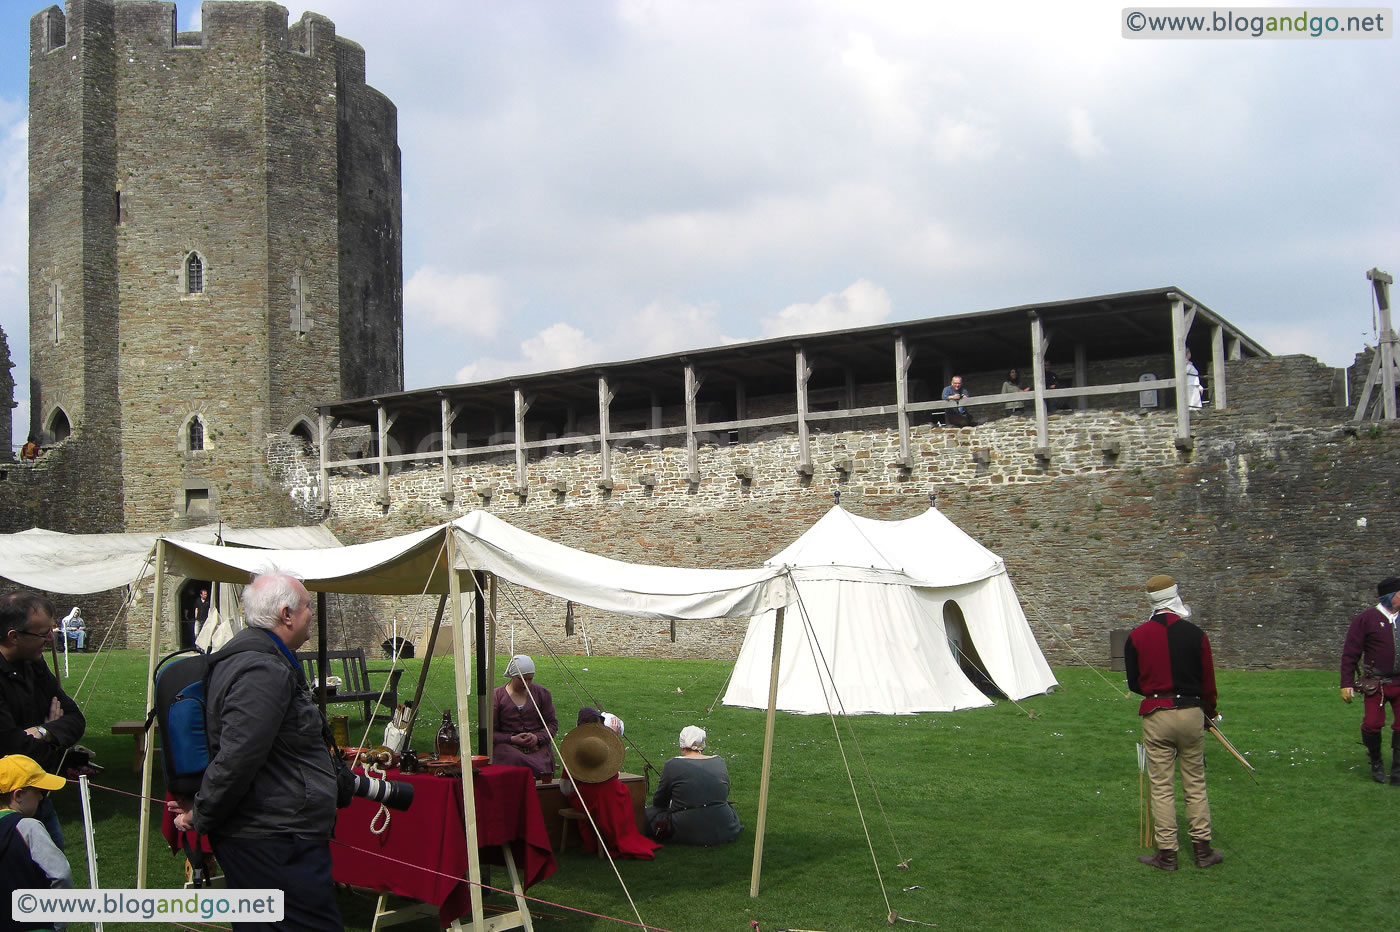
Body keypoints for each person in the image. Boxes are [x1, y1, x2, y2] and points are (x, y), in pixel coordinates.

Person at [168, 573, 342, 932]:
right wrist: (202, 813)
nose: (312, 613)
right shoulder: (261, 668)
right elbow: (238, 757)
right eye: (308, 606)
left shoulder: (263, 658)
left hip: (274, 832)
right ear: (286, 614)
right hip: (272, 838)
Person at [1125, 574, 1223, 871]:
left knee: (1162, 785)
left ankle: (1168, 854)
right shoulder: (1196, 634)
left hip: (1158, 712)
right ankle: (1202, 850)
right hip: (1192, 711)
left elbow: (1135, 683)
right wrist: (1210, 713)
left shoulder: (1137, 636)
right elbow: (1208, 683)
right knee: (1195, 783)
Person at [0, 593, 86, 849]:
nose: (51, 638)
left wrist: (42, 730)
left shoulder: (34, 664)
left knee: (54, 876)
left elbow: (75, 718)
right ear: (14, 636)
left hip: (38, 798)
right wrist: (55, 740)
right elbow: (13, 747)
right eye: (42, 633)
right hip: (7, 807)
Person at [558, 722, 660, 859]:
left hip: (591, 797)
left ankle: (604, 842)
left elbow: (565, 789)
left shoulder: (583, 762)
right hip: (608, 794)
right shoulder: (618, 785)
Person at [0, 754, 73, 930]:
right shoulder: (28, 827)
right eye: (39, 791)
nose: (41, 798)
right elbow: (60, 874)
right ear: (18, 795)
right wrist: (59, 923)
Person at [1339, 577, 1400, 784]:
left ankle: (1398, 770)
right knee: (1373, 724)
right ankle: (1376, 763)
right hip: (1377, 684)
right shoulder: (1366, 619)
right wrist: (1346, 683)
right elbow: (1350, 654)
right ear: (1390, 597)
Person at [644, 725, 742, 846]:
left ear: (682, 745)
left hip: (686, 827)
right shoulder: (719, 761)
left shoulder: (673, 764)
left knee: (648, 813)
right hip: (723, 825)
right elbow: (724, 793)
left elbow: (659, 802)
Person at [491, 655, 558, 779]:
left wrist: (537, 737)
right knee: (513, 761)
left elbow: (552, 724)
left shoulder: (542, 694)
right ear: (512, 676)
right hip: (507, 748)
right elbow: (490, 733)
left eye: (529, 679)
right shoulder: (497, 696)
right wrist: (512, 739)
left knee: (541, 765)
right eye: (521, 679)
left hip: (537, 748)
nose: (526, 683)